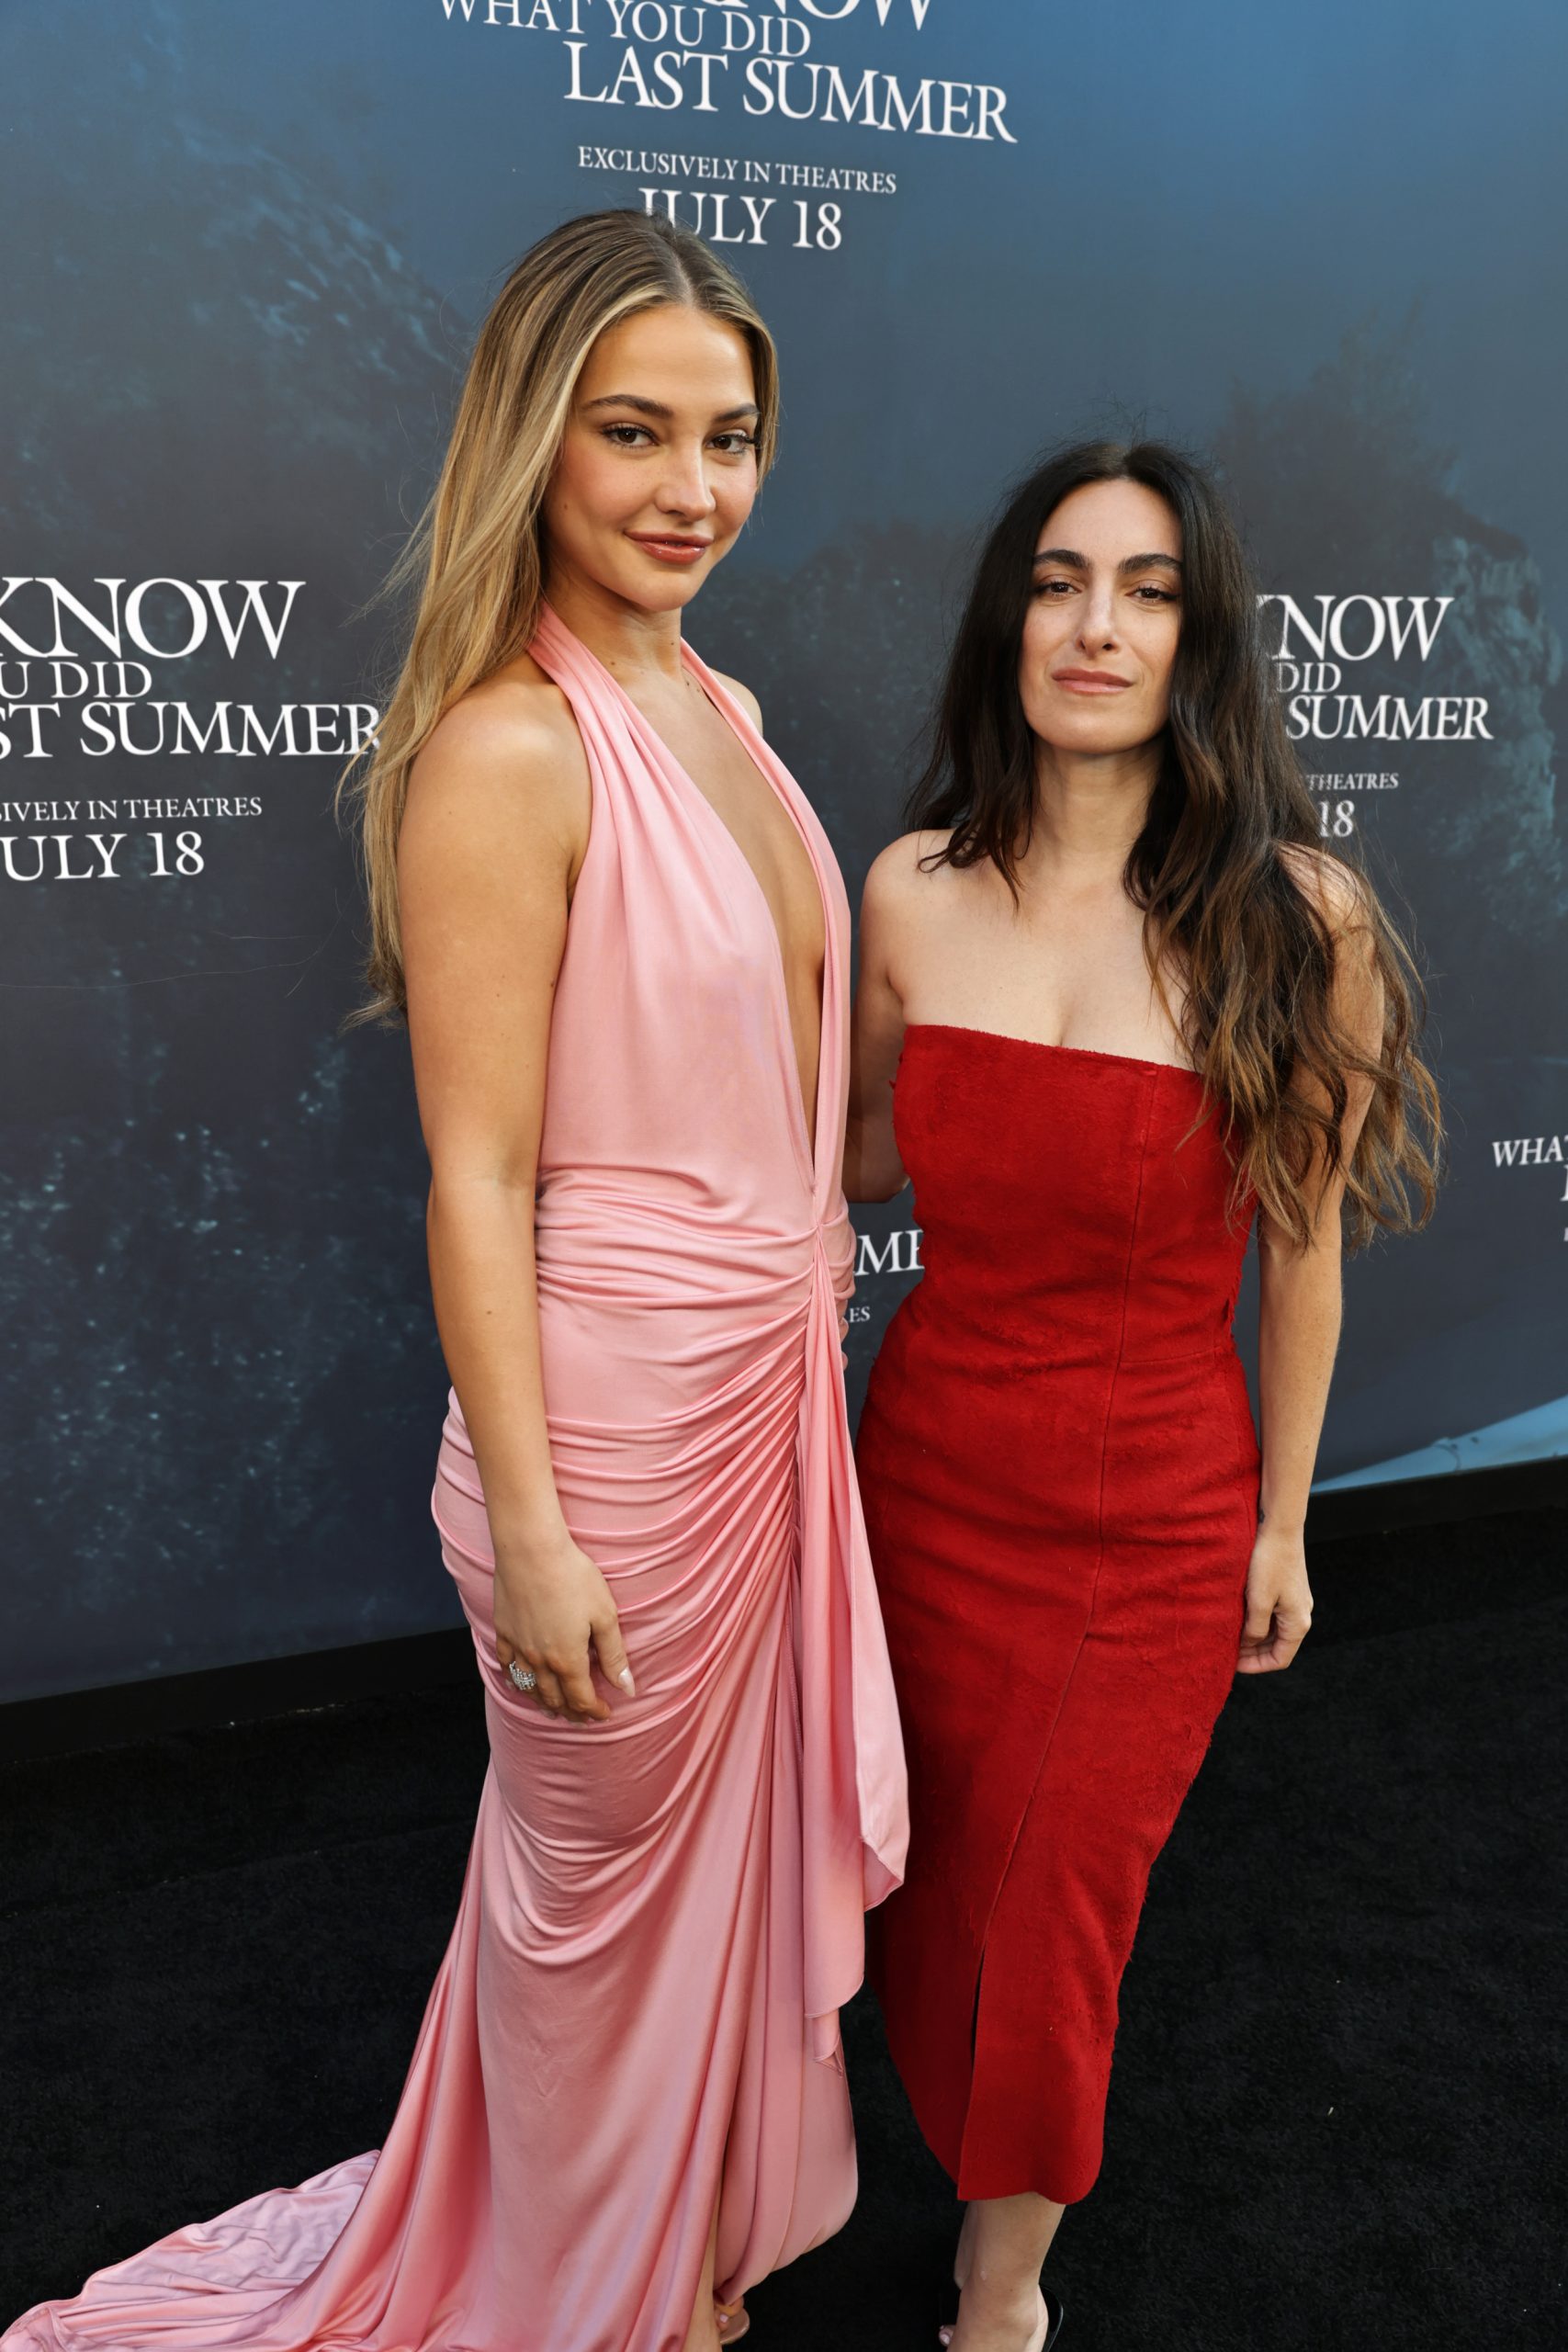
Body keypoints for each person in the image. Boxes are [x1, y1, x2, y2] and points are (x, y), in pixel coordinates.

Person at [5, 209, 907, 2352]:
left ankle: (664, 2254)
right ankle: (566, 2294)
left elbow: (798, 1101)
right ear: (534, 435)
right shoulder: (509, 751)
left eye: (728, 437)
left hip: (765, 1401)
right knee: (587, 1921)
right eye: (632, 431)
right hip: (604, 1448)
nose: (690, 486)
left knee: (689, 1904)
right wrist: (531, 1523)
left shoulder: (722, 704)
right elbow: (477, 1176)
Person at [846, 440, 1440, 2352]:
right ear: (1004, 621)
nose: (1094, 625)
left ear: (1204, 639)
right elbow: (848, 1163)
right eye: (1056, 580)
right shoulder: (907, 890)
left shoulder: (1301, 918)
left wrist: (1283, 1520)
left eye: (1148, 588)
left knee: (1054, 1924)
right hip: (916, 1486)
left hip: (1148, 1526)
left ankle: (1000, 2293)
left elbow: (1305, 1252)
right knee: (905, 1885)